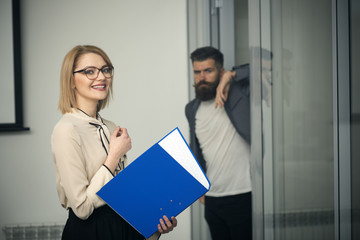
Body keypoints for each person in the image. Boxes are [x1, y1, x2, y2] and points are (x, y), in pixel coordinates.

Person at [51, 45, 177, 240]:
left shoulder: (111, 127)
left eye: (106, 70)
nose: (101, 77)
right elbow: (82, 208)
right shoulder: (66, 129)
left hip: (123, 227)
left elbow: (123, 197)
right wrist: (114, 155)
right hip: (90, 232)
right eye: (90, 71)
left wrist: (155, 225)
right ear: (71, 80)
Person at [185, 46, 251, 240]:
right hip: (212, 200)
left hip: (243, 195)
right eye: (197, 72)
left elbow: (265, 67)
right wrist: (198, 187)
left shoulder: (239, 94)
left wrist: (231, 76)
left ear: (220, 72)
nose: (202, 77)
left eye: (208, 71)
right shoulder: (192, 109)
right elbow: (196, 150)